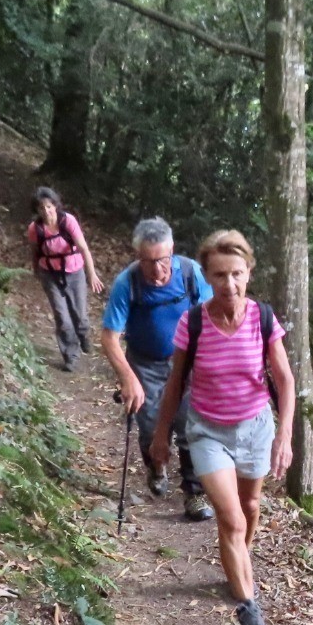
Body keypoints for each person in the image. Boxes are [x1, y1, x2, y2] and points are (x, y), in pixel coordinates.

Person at [151, 230, 294, 625]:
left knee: (250, 508)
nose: (229, 284)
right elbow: (175, 384)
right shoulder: (193, 322)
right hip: (208, 432)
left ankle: (236, 564)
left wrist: (284, 434)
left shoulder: (262, 318)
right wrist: (160, 436)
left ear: (248, 273)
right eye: (219, 275)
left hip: (255, 428)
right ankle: (249, 610)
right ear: (207, 276)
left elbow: (285, 380)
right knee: (231, 519)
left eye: (236, 274)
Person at [101, 219, 215, 523]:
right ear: (138, 256)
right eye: (148, 261)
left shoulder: (191, 274)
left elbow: (210, 318)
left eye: (163, 260)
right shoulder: (128, 282)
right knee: (150, 426)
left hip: (186, 361)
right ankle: (156, 466)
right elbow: (109, 337)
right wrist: (128, 378)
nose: (157, 269)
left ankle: (194, 492)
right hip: (144, 363)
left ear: (172, 251)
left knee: (190, 426)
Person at [26, 187, 102, 372]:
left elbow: (84, 249)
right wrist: (36, 271)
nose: (46, 211)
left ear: (55, 205)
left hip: (74, 272)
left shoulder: (68, 221)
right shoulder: (35, 229)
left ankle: (83, 334)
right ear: (37, 210)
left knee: (80, 315)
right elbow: (35, 252)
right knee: (62, 317)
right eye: (42, 208)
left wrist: (91, 274)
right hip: (50, 274)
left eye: (49, 206)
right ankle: (70, 356)